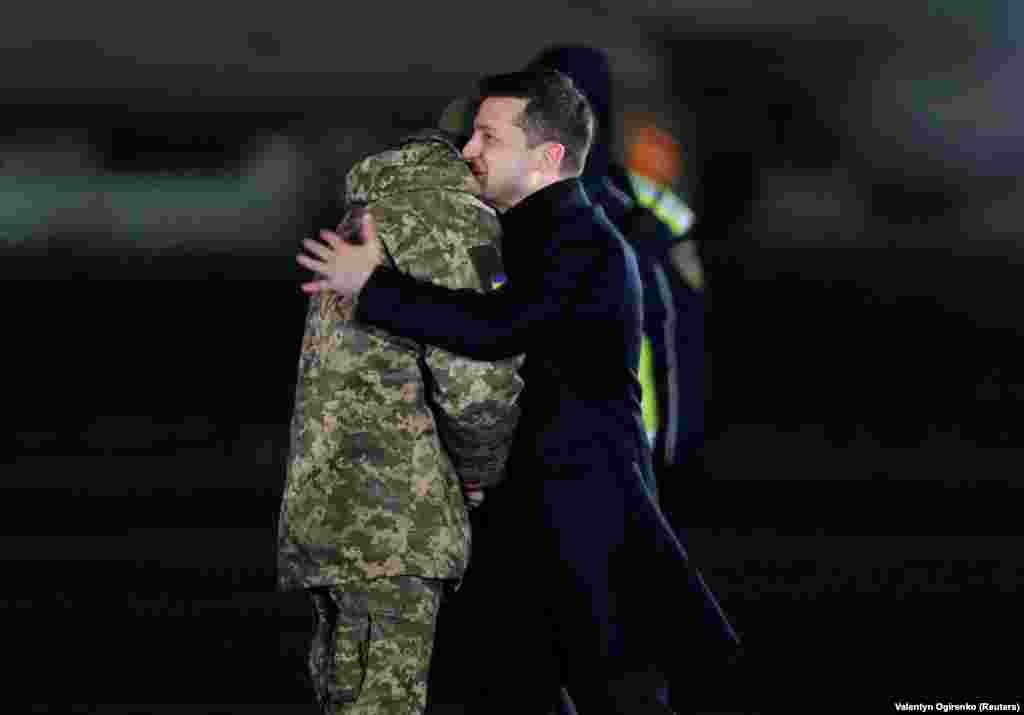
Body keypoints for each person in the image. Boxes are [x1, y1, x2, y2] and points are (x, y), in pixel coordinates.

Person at [298, 68, 741, 715]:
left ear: (548, 156)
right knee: (517, 683)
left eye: (487, 136)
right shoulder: (530, 234)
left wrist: (373, 286)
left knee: (607, 684)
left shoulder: (580, 242)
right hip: (533, 508)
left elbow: (497, 330)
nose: (470, 150)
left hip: (579, 510)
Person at [277, 101, 524, 715]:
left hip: (333, 513)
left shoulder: (369, 210)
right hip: (399, 518)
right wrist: (480, 474)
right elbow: (476, 373)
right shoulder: (457, 220)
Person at [527, 45, 708, 517]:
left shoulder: (654, 216)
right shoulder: (495, 210)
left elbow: (679, 337)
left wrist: (675, 446)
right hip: (531, 451)